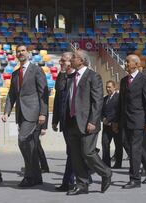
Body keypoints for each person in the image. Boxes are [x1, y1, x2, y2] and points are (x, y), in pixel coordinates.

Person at [63, 50, 112, 195]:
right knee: (75, 155)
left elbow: (97, 101)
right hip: (71, 121)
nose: (71, 59)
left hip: (87, 123)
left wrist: (93, 121)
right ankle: (82, 184)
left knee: (88, 152)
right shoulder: (71, 77)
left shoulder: (93, 76)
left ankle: (106, 172)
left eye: (74, 57)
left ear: (82, 61)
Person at [1, 44, 48, 187]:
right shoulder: (15, 73)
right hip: (21, 113)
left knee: (22, 140)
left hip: (33, 112)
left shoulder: (36, 70)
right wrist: (6, 111)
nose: (20, 53)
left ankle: (28, 176)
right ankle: (37, 177)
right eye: (18, 52)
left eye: (23, 51)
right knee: (31, 146)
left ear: (28, 53)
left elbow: (43, 93)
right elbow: (11, 95)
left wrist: (43, 113)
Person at [117, 54, 146, 189]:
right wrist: (117, 121)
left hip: (138, 120)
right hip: (125, 121)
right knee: (132, 147)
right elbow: (120, 103)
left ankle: (135, 179)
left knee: (135, 149)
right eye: (126, 61)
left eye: (128, 62)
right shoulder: (123, 81)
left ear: (137, 64)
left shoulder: (145, 80)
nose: (125, 63)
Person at [52, 52, 76, 191]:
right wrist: (55, 120)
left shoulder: (78, 76)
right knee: (72, 152)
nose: (61, 62)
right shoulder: (62, 76)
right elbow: (58, 98)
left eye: (63, 60)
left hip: (76, 121)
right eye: (60, 60)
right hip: (65, 121)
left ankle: (69, 182)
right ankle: (72, 180)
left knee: (74, 152)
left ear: (71, 61)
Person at [101, 80, 122, 168]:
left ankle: (118, 163)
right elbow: (101, 111)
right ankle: (106, 163)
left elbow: (117, 111)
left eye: (109, 87)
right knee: (105, 143)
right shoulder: (105, 99)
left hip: (115, 125)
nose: (108, 89)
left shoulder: (118, 98)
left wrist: (110, 120)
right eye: (107, 87)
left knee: (118, 145)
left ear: (114, 87)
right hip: (106, 126)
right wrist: (103, 119)